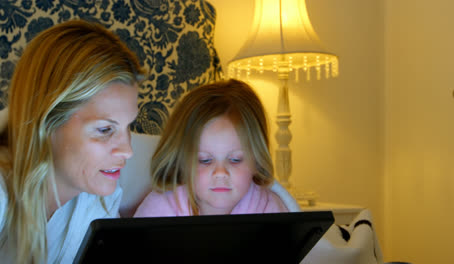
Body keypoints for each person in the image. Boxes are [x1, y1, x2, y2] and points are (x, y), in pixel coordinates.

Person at [0, 20, 145, 263]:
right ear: (46, 123)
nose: (128, 150)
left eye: (128, 126)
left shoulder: (100, 200)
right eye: (105, 129)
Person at [134, 79, 288, 217]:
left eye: (235, 160)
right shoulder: (160, 209)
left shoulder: (269, 209)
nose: (220, 173)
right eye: (205, 160)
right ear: (181, 162)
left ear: (257, 160)